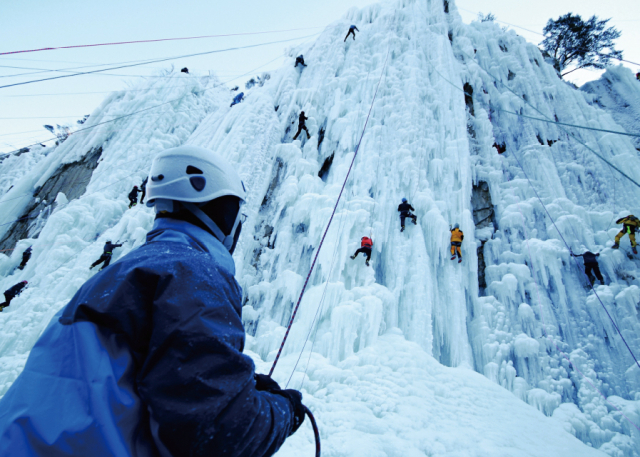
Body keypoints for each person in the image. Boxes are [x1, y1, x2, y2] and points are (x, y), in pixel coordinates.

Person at [0, 145, 305, 457]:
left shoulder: (124, 270)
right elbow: (221, 433)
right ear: (220, 211)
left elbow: (126, 371)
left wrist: (238, 385)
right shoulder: (191, 272)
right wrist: (284, 410)